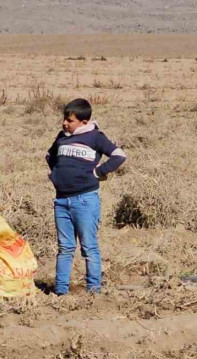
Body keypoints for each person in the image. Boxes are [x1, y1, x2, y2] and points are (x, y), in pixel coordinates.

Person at [46, 98, 127, 295]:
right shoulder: (62, 137)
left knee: (89, 247)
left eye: (70, 120)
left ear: (84, 121)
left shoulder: (95, 137)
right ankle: (61, 292)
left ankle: (93, 292)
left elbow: (119, 155)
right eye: (64, 118)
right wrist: (57, 175)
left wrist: (98, 173)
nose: (65, 123)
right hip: (61, 201)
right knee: (65, 248)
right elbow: (50, 156)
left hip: (85, 200)